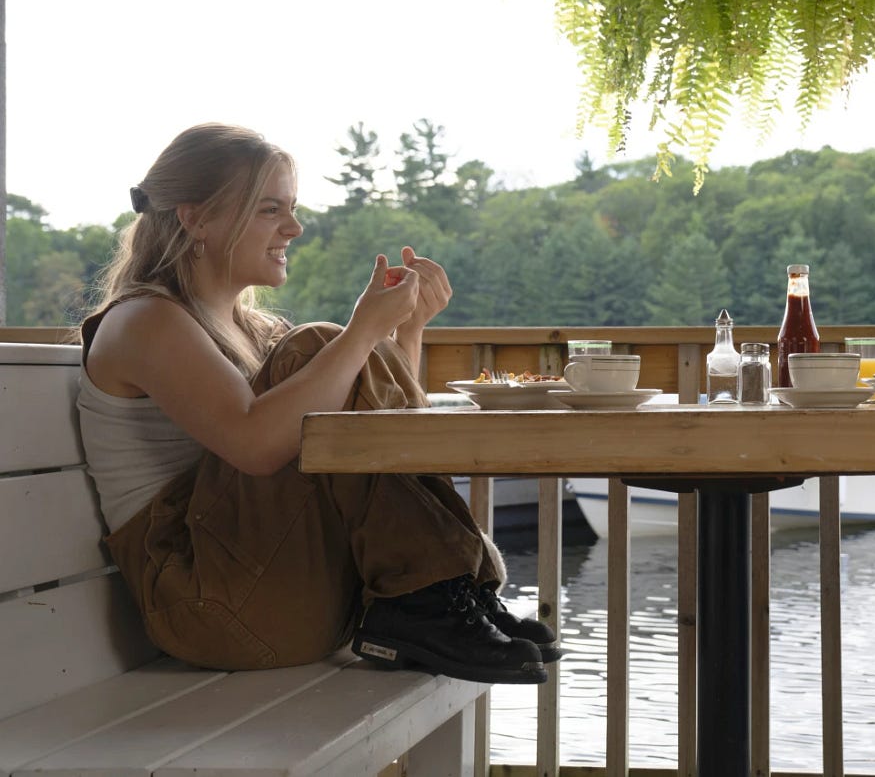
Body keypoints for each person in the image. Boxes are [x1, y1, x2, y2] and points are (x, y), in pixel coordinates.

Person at [77, 122, 559, 684]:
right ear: (196, 217)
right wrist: (359, 333)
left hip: (283, 589)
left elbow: (373, 459)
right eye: (269, 209)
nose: (295, 227)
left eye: (292, 207)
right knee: (320, 344)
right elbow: (255, 446)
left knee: (324, 350)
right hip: (210, 606)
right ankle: (431, 598)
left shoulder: (250, 330)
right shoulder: (144, 321)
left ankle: (439, 599)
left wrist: (404, 331)